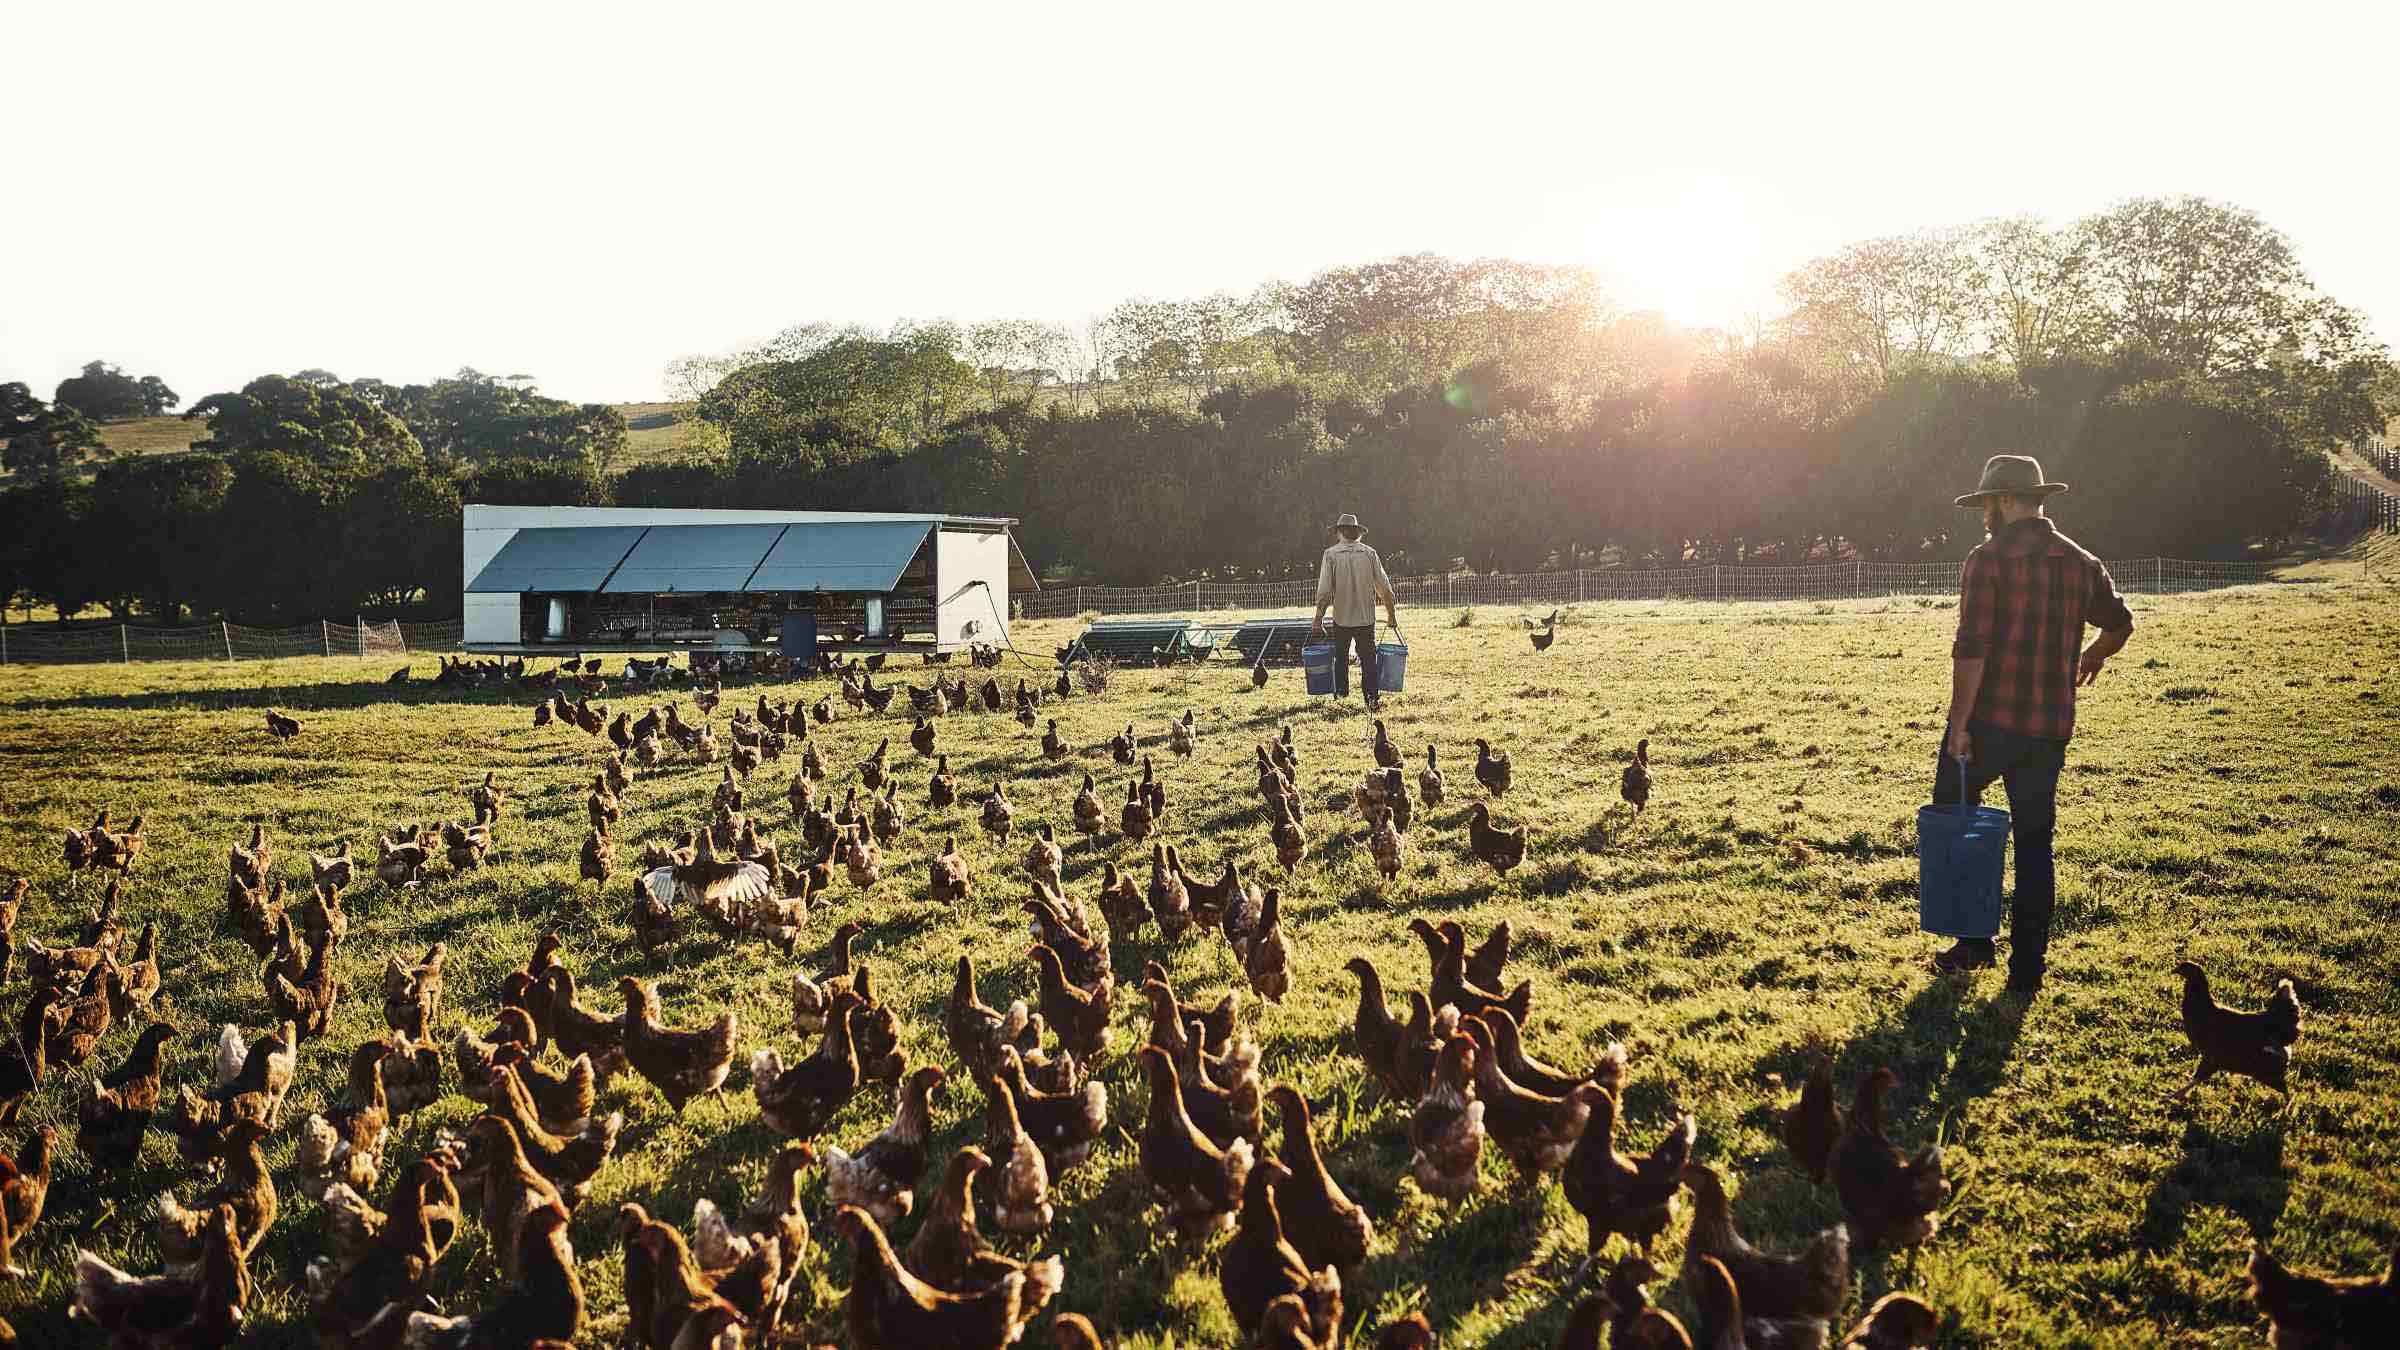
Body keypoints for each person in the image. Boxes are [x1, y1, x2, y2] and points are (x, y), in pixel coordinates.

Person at [1934, 455, 2135, 992]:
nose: (1984, 515)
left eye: (1987, 504)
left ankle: (1974, 943)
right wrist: (2092, 655)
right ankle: (2027, 971)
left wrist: (1959, 724)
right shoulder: (2081, 562)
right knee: (2034, 843)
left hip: (1987, 722)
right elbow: (2120, 624)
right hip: (2047, 728)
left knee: (1959, 820)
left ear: (2002, 502)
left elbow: (1971, 648)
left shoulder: (1988, 559)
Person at [1311, 512, 1399, 710]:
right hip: (1366, 618)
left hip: (1342, 617)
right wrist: (1391, 614)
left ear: (1339, 532)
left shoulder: (1331, 555)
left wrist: (1318, 618)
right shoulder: (1369, 553)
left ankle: (1341, 697)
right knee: (1369, 660)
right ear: (1358, 532)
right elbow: (1384, 587)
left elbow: (1324, 591)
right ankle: (1371, 698)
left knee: (1340, 659)